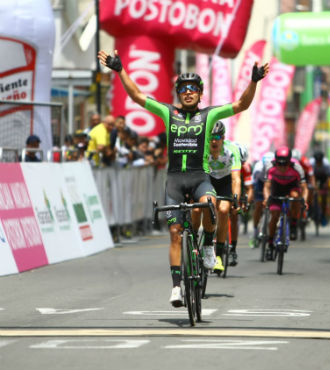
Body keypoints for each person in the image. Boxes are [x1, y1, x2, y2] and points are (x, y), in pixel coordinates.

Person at [98, 49, 269, 307]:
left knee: (211, 204)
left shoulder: (209, 115)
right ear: (179, 93)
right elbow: (136, 96)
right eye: (184, 88)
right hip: (175, 181)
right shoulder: (169, 113)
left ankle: (209, 245)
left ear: (200, 94)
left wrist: (253, 81)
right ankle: (177, 287)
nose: (188, 92)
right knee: (176, 232)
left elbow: (241, 105)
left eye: (193, 89)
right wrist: (120, 69)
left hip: (200, 177)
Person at [191, 121, 242, 272]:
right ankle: (192, 241)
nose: (214, 140)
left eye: (218, 137)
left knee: (224, 210)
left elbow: (236, 179)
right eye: (211, 137)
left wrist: (236, 199)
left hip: (224, 181)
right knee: (196, 209)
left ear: (223, 137)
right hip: (206, 180)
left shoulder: (231, 150)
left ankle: (218, 254)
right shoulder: (201, 149)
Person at [263, 147, 308, 260]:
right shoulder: (270, 166)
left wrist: (304, 201)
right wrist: (266, 198)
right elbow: (267, 186)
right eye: (279, 164)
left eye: (285, 164)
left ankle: (293, 223)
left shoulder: (297, 167)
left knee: (296, 197)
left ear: (290, 161)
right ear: (275, 161)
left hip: (291, 187)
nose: (282, 167)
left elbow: (304, 188)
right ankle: (270, 243)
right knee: (274, 215)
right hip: (277, 187)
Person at [229, 142, 253, 264]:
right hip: (224, 187)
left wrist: (245, 203)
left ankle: (233, 249)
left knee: (234, 217)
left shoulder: (246, 168)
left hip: (238, 190)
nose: (240, 165)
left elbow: (249, 189)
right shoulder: (227, 160)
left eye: (241, 163)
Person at [249, 151, 274, 248]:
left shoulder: (276, 168)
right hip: (260, 183)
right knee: (258, 205)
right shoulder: (258, 168)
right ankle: (255, 231)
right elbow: (253, 184)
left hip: (272, 183)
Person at [309, 150, 330, 226]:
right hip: (314, 177)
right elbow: (311, 176)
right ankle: (310, 210)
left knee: (324, 197)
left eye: (320, 161)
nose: (318, 163)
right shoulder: (311, 163)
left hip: (324, 178)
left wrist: (326, 185)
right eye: (317, 161)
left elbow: (329, 177)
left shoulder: (327, 164)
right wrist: (313, 185)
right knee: (311, 192)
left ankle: (323, 214)